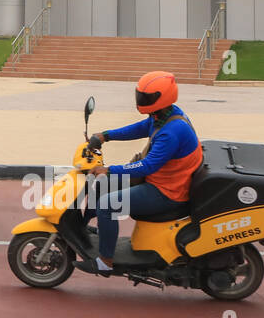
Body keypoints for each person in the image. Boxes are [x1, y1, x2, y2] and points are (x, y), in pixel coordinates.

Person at [79, 70, 203, 273]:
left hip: (167, 192)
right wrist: (105, 136)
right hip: (159, 180)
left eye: (146, 97)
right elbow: (141, 128)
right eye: (140, 95)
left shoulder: (172, 132)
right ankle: (83, 229)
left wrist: (109, 170)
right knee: (99, 184)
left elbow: (147, 166)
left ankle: (105, 262)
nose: (141, 100)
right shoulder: (165, 114)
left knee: (107, 204)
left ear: (161, 98)